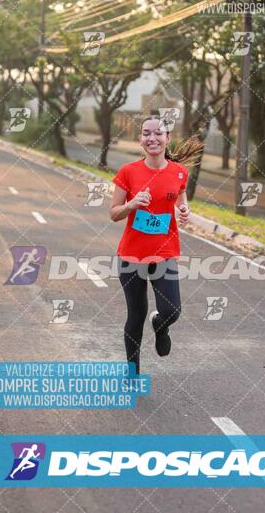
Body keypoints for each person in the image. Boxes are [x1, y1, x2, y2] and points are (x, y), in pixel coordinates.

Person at [110, 115, 204, 374]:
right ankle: (132, 371)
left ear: (167, 138)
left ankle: (160, 326)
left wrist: (184, 211)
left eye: (158, 133)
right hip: (132, 256)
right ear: (140, 140)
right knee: (136, 315)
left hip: (164, 255)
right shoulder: (128, 172)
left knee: (171, 310)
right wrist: (131, 204)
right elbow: (114, 213)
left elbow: (180, 202)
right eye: (146, 133)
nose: (152, 138)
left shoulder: (179, 172)